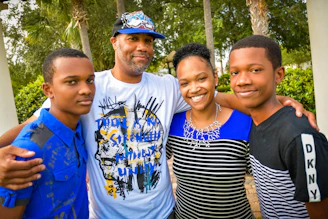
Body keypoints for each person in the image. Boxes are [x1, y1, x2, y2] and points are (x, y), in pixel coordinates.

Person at [0, 11, 317, 219]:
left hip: (166, 213)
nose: (142, 47)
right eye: (133, 38)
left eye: (148, 40)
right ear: (114, 42)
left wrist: (277, 100)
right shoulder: (89, 87)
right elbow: (36, 127)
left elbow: (214, 95)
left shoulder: (168, 87)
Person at [229, 35, 328, 218]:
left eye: (255, 70)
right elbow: (210, 96)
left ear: (279, 74)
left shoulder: (298, 136)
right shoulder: (253, 120)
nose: (242, 81)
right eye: (235, 72)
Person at [0, 48, 95, 218]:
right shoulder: (29, 150)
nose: (86, 89)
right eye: (72, 82)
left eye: (90, 80)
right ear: (48, 90)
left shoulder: (79, 129)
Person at [166, 43, 253, 218]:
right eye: (185, 83)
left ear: (215, 77)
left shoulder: (244, 124)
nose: (194, 88)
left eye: (201, 79)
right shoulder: (173, 124)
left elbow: (266, 180)